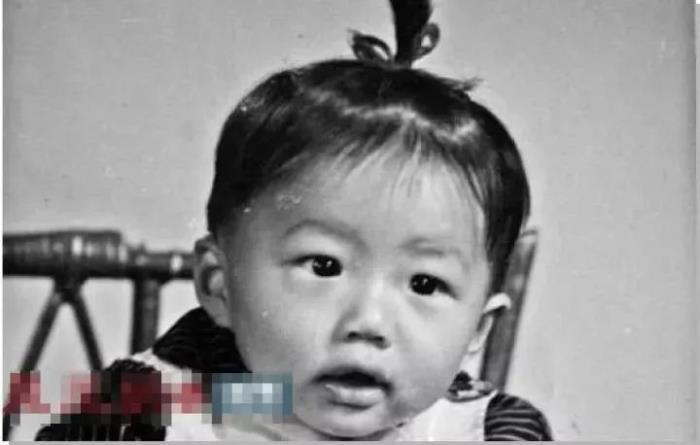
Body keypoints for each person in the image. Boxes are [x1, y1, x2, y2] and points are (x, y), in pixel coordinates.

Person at [37, 0, 551, 440]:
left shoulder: (482, 430)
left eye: (425, 283)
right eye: (324, 266)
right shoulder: (148, 412)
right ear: (219, 285)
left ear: (477, 328)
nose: (368, 323)